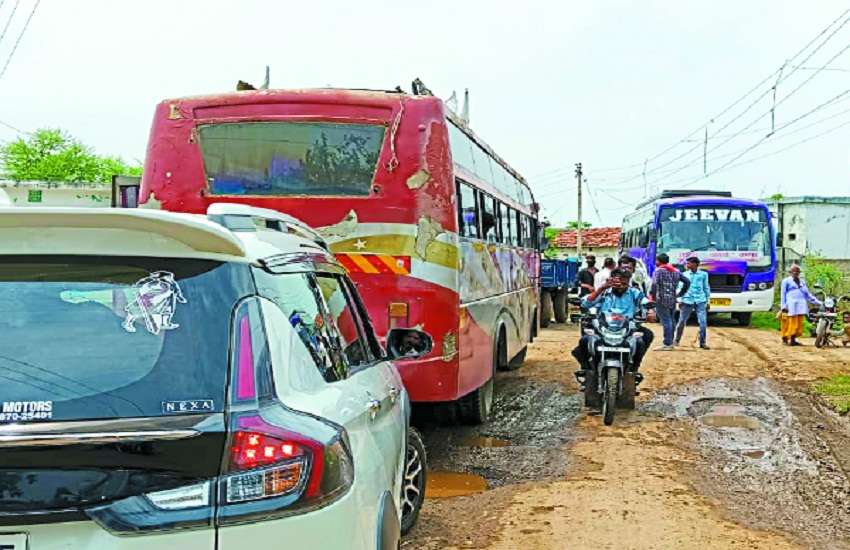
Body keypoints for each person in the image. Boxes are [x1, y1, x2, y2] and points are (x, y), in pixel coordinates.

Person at [572, 269, 649, 384]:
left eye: (624, 283)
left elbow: (645, 301)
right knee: (584, 341)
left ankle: (633, 369)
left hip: (627, 328)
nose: (621, 286)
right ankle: (586, 369)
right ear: (611, 280)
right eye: (618, 282)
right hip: (603, 327)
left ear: (629, 282)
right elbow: (585, 303)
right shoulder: (603, 292)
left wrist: (650, 310)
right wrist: (601, 288)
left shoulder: (634, 293)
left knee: (642, 340)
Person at [650, 253, 690, 350]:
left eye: (656, 261)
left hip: (661, 299)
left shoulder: (658, 271)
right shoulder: (675, 271)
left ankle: (667, 343)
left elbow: (654, 285)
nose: (656, 262)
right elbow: (687, 282)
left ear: (659, 261)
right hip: (672, 298)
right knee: (671, 320)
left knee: (666, 321)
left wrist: (653, 297)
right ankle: (671, 342)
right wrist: (681, 293)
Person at [780, 264, 822, 346]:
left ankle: (793, 340)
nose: (795, 272)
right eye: (794, 271)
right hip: (790, 305)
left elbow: (808, 294)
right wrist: (783, 306)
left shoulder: (802, 282)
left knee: (798, 324)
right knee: (789, 322)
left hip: (800, 306)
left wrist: (819, 302)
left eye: (797, 271)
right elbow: (783, 294)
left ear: (799, 273)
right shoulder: (786, 281)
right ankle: (785, 339)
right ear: (790, 272)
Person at [675, 256, 711, 349]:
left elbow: (706, 288)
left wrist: (708, 301)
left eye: (689, 263)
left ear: (695, 264)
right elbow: (680, 287)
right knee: (682, 321)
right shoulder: (684, 274)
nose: (687, 265)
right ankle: (676, 340)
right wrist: (680, 300)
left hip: (700, 300)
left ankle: (702, 342)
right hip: (687, 300)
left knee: (703, 322)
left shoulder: (703, 275)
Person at [618, 261, 655, 350]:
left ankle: (636, 362)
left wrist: (650, 310)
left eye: (629, 268)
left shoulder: (635, 289)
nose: (625, 270)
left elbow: (644, 299)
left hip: (630, 323)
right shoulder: (605, 290)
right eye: (623, 268)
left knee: (644, 337)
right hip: (609, 325)